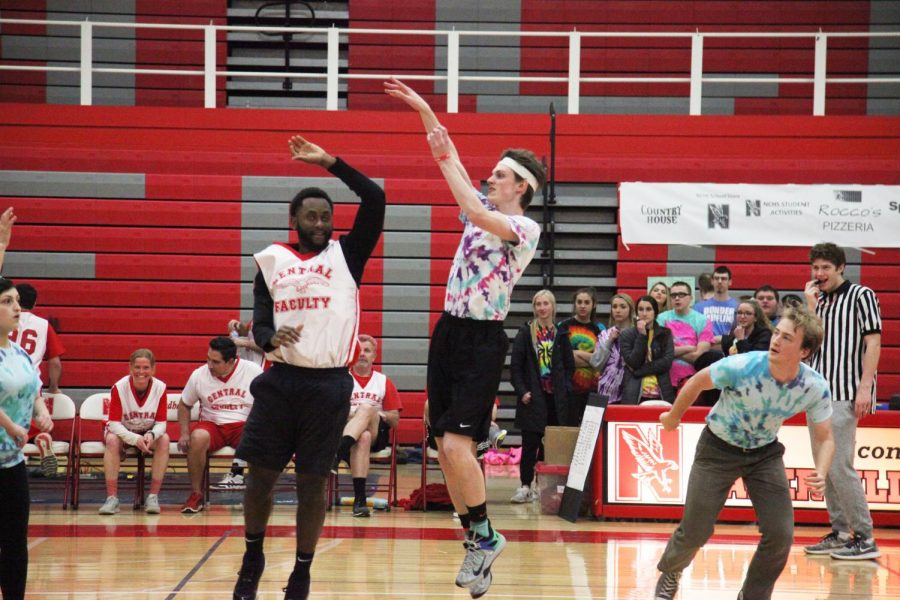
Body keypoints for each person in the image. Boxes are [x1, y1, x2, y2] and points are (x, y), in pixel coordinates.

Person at [386, 77, 544, 598]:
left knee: (457, 443)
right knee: (443, 447)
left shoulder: (524, 228)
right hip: (448, 331)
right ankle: (476, 540)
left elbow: (475, 209)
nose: (489, 179)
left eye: (499, 175)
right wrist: (426, 113)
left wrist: (448, 162)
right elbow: (449, 157)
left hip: (481, 338)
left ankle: (485, 536)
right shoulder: (482, 210)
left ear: (519, 186)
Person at [233, 133, 385, 600]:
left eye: (326, 217)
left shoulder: (347, 255)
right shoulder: (272, 259)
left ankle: (301, 571)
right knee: (260, 476)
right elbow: (259, 318)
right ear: (294, 219)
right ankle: (252, 554)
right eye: (311, 216)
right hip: (280, 380)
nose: (320, 223)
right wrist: (266, 338)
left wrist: (329, 162)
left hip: (328, 386)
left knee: (312, 484)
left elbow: (375, 197)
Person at [654, 308, 835, 600]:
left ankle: (752, 596)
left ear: (804, 351)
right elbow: (697, 381)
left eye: (786, 337)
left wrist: (822, 472)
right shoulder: (743, 365)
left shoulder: (814, 387)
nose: (776, 340)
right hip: (717, 448)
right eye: (776, 332)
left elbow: (826, 438)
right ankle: (672, 571)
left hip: (764, 455)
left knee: (780, 535)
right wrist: (673, 417)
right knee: (696, 530)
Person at [803, 243, 882, 560]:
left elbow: (873, 341)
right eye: (815, 268)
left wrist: (865, 388)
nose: (819, 274)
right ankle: (840, 532)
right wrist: (810, 306)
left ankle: (864, 536)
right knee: (825, 468)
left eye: (825, 268)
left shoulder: (862, 295)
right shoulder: (818, 301)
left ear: (840, 268)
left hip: (846, 391)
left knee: (839, 465)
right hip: (817, 394)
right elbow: (808, 343)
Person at [0, 277, 52, 600]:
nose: (17, 307)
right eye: (7, 302)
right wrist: (11, 426)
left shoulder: (20, 354)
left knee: (16, 543)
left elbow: (34, 392)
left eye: (17, 300)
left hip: (12, 464)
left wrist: (41, 412)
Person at [177, 336, 263, 513]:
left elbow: (269, 400)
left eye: (215, 362)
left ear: (231, 361)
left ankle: (257, 496)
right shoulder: (199, 374)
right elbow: (184, 405)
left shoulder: (253, 371)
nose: (209, 365)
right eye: (208, 358)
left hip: (243, 424)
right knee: (197, 437)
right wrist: (184, 433)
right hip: (212, 424)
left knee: (258, 439)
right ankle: (196, 494)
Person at [510, 290, 574, 503]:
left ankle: (544, 486)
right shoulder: (525, 333)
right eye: (538, 304)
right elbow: (516, 367)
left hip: (556, 399)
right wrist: (522, 391)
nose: (542, 308)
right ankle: (525, 485)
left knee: (551, 445)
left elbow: (568, 365)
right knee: (530, 444)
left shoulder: (561, 333)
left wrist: (564, 389)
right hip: (533, 397)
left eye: (546, 303)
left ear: (553, 307)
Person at [331, 334, 402, 518]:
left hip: (377, 432)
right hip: (347, 429)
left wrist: (373, 413)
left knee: (368, 409)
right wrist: (354, 414)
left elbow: (395, 419)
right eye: (359, 350)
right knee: (363, 437)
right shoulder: (341, 379)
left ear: (374, 356)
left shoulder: (383, 381)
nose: (362, 354)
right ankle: (360, 500)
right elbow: (330, 412)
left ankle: (337, 455)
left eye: (367, 351)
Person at [99, 348, 170, 515]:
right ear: (130, 368)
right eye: (137, 367)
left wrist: (151, 435)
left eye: (146, 368)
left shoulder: (160, 387)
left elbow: (161, 423)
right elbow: (115, 424)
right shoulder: (119, 387)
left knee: (164, 439)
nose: (141, 372)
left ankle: (153, 496)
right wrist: (134, 439)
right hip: (123, 431)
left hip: (147, 433)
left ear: (153, 369)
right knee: (112, 440)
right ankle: (112, 498)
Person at [8, 283, 66, 477]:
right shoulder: (43, 324)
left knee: (9, 428)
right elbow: (55, 362)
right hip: (31, 382)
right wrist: (54, 387)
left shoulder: (5, 320)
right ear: (35, 302)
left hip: (6, 379)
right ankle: (40, 438)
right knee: (31, 426)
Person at [557, 287, 604, 425]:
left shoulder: (599, 329)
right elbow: (562, 357)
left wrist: (577, 353)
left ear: (593, 304)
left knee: (589, 430)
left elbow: (601, 360)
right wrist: (591, 358)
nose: (583, 306)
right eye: (579, 302)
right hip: (569, 387)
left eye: (587, 302)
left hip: (593, 389)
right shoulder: (563, 326)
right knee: (569, 429)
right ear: (574, 303)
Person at [656, 282, 714, 390]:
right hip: (663, 382)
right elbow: (658, 351)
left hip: (692, 383)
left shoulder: (703, 321)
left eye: (681, 295)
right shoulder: (661, 319)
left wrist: (670, 352)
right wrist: (689, 348)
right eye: (673, 295)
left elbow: (699, 357)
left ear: (691, 298)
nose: (677, 298)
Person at [619, 296, 675, 404]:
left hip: (662, 392)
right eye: (640, 309)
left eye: (648, 309)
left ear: (655, 312)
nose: (644, 313)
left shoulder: (666, 333)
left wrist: (639, 371)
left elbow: (666, 362)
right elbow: (634, 362)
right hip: (634, 393)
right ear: (636, 313)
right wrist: (642, 335)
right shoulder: (627, 334)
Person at [590, 293, 635, 405]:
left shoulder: (637, 334)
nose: (618, 310)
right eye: (614, 307)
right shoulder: (605, 334)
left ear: (630, 310)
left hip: (630, 391)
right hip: (606, 391)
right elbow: (596, 363)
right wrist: (609, 341)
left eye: (622, 307)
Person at [693, 265, 738, 352]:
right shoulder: (698, 307)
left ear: (730, 282)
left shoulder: (737, 307)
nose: (720, 281)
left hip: (728, 355)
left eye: (724, 279)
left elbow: (739, 337)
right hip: (704, 355)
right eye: (717, 278)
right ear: (712, 281)